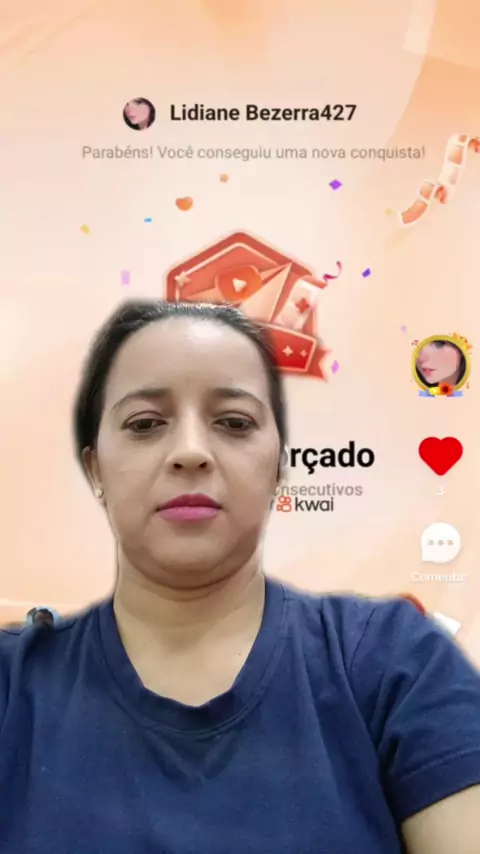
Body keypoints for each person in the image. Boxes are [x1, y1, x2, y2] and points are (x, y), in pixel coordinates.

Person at [0, 299, 479, 853]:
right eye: (146, 424)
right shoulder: (14, 687)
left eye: (233, 422)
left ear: (278, 466)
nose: (190, 452)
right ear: (95, 469)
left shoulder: (395, 664)